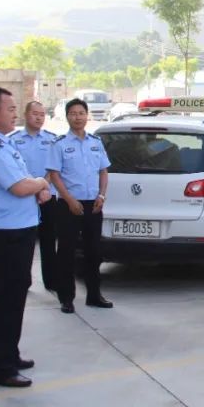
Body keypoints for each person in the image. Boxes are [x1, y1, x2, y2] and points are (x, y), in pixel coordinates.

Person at [0, 86, 52, 388]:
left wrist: (36, 186)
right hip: (5, 234)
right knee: (5, 300)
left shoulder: (2, 143)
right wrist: (43, 181)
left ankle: (10, 353)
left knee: (16, 296)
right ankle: (1, 368)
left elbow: (23, 181)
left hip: (19, 229)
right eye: (9, 109)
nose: (14, 114)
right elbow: (19, 187)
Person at [46, 98, 113, 313]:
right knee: (66, 252)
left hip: (93, 204)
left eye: (81, 113)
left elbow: (103, 171)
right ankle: (66, 298)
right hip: (68, 205)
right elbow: (54, 175)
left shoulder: (96, 142)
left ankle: (94, 295)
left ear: (87, 115)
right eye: (73, 113)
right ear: (67, 117)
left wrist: (102, 196)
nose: (78, 117)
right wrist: (69, 200)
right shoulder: (59, 144)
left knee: (94, 251)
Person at [10, 101, 58, 292]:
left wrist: (43, 186)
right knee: (24, 241)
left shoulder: (52, 139)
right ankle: (23, 279)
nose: (39, 118)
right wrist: (33, 188)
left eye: (42, 114)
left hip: (47, 195)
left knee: (48, 240)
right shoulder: (13, 139)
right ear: (26, 115)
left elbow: (54, 167)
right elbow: (14, 169)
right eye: (35, 114)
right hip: (24, 196)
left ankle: (51, 280)